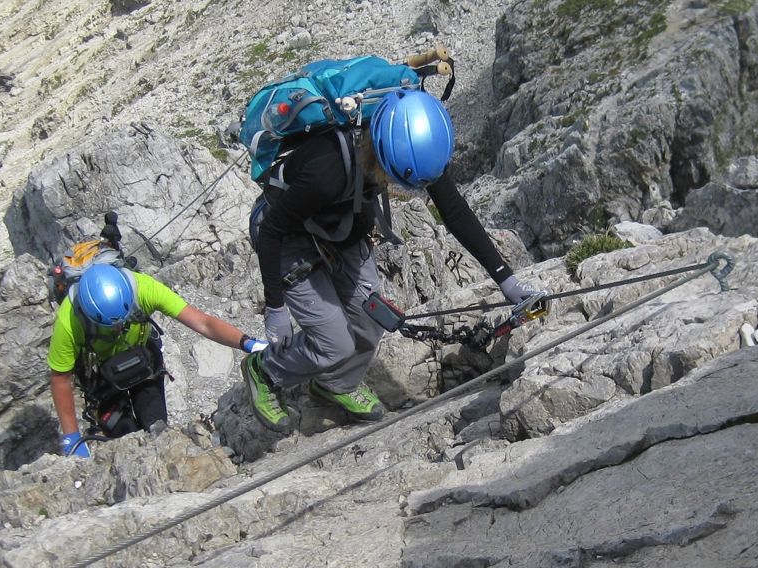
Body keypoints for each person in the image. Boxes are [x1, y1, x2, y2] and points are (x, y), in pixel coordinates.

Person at [243, 88, 541, 433]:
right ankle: (265, 369)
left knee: (370, 320)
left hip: (344, 226)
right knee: (333, 342)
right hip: (287, 236)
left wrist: (505, 279)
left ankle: (335, 385)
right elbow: (272, 232)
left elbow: (455, 211)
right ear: (381, 156)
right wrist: (276, 309)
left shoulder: (416, 146)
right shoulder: (327, 171)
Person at [49, 263, 265, 457]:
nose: (116, 329)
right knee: (124, 441)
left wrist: (247, 343)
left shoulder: (144, 289)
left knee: (157, 430)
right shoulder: (68, 322)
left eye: (120, 323)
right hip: (102, 378)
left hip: (144, 364)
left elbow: (203, 323)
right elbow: (60, 377)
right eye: (109, 326)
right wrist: (72, 437)